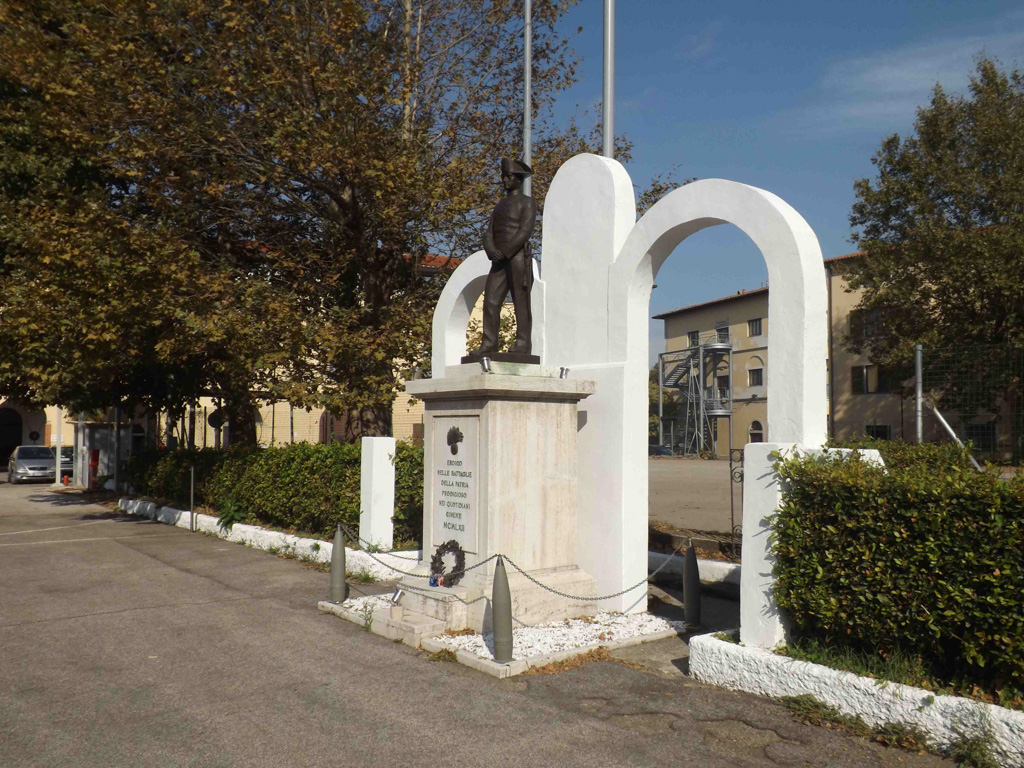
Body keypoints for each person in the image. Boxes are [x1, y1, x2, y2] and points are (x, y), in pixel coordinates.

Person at [468, 158, 537, 359]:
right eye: (503, 176)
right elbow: (489, 233)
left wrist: (505, 252)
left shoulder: (527, 202)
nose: (504, 180)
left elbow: (525, 231)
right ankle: (489, 344)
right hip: (498, 260)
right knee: (490, 301)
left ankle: (523, 344)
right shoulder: (499, 206)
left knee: (520, 302)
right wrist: (491, 250)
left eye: (509, 177)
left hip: (516, 258)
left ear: (518, 180)